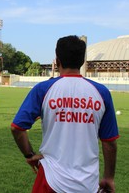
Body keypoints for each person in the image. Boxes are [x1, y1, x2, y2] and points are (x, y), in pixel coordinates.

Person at [11, 35, 119, 193]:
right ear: (82, 61)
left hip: (50, 180)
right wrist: (109, 178)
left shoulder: (43, 89)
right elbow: (109, 143)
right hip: (88, 184)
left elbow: (17, 127)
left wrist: (29, 154)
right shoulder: (101, 93)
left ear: (57, 60)